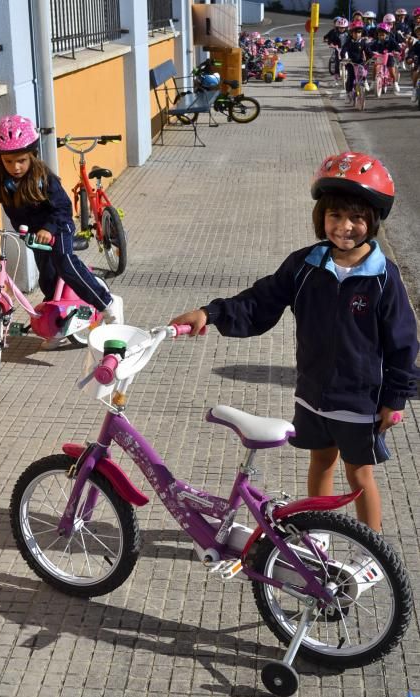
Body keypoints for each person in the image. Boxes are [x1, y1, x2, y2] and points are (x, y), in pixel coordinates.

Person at [170, 152, 419, 534]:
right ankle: (317, 538)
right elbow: (261, 300)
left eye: (356, 217)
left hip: (360, 401)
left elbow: (403, 341)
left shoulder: (383, 277)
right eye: (335, 216)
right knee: (321, 461)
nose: (345, 226)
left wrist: (395, 398)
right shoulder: (306, 265)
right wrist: (212, 313)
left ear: (372, 220)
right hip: (313, 393)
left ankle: (373, 548)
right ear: (322, 217)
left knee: (360, 475)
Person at [0, 114, 123, 349]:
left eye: (21, 160)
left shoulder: (43, 178)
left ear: (32, 154)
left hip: (58, 225)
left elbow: (63, 207)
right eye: (9, 161)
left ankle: (107, 304)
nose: (15, 167)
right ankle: (57, 327)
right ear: (0, 159)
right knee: (48, 277)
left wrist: (49, 228)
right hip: (33, 232)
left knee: (64, 261)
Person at [340, 21, 373, 101]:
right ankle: (348, 93)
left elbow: (368, 51)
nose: (357, 34)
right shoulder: (349, 42)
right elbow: (343, 50)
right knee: (350, 78)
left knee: (363, 74)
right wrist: (344, 57)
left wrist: (371, 58)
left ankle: (364, 82)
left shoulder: (363, 42)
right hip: (351, 63)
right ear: (351, 33)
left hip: (360, 62)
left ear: (361, 33)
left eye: (359, 32)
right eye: (354, 32)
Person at [371, 23, 402, 94]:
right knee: (375, 67)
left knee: (391, 70)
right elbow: (371, 47)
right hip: (380, 56)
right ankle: (373, 82)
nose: (381, 36)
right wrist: (371, 52)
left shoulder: (391, 41)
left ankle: (395, 83)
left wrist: (397, 51)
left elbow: (397, 47)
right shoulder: (377, 41)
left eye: (382, 34)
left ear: (387, 34)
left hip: (389, 56)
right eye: (379, 34)